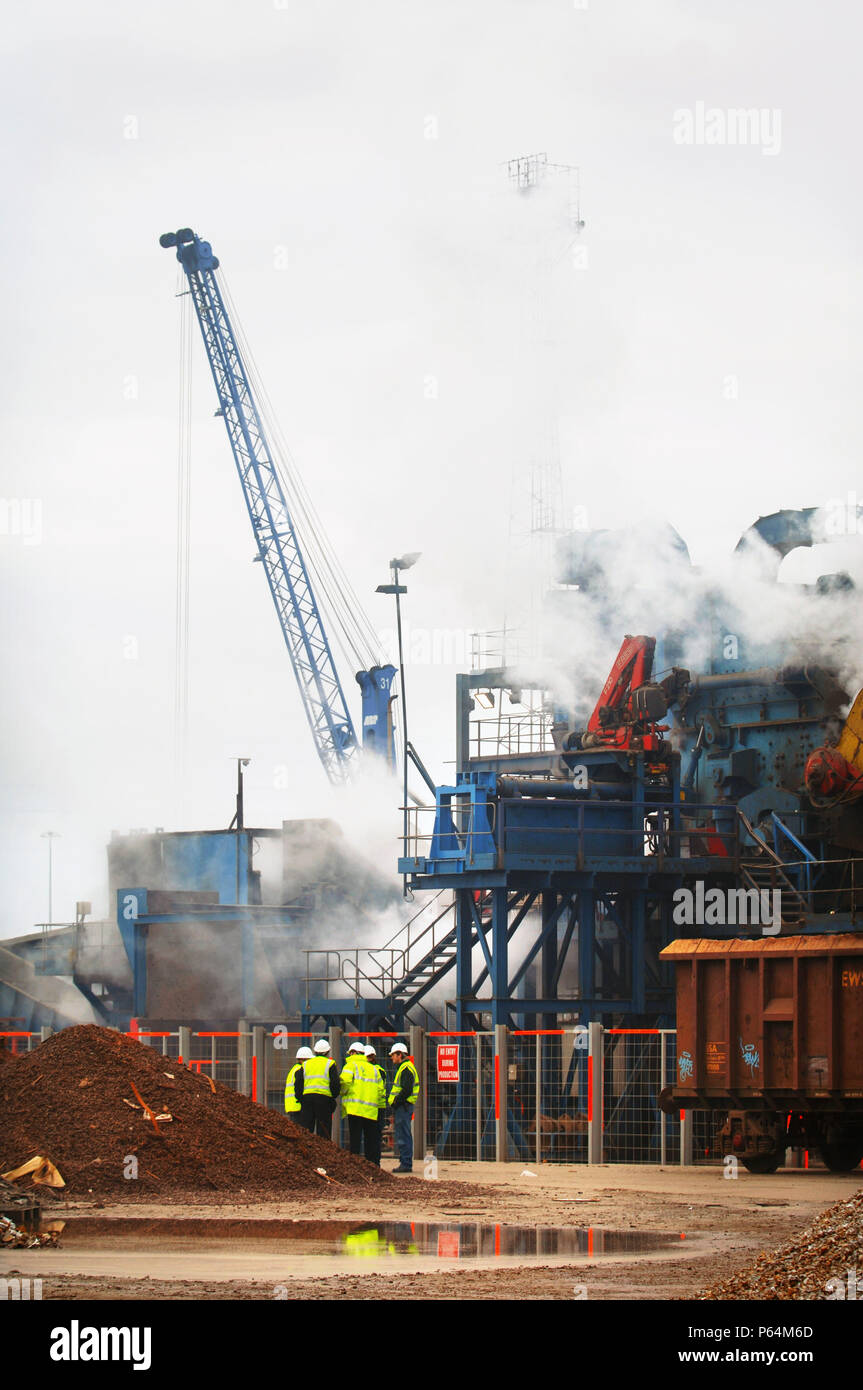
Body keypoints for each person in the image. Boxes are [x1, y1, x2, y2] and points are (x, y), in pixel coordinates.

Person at [340, 1042, 381, 1165]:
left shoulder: (350, 1066)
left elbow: (344, 1083)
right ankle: (372, 1166)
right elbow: (380, 1090)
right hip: (371, 1110)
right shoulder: (373, 1069)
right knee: (371, 1140)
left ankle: (355, 1166)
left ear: (352, 1052)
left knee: (355, 1140)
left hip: (355, 1108)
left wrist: (343, 1093)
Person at [297, 1038, 341, 1138]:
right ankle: (324, 1153)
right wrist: (332, 1097)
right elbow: (335, 1083)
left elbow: (299, 1083)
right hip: (324, 1100)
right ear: (327, 1052)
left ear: (315, 1051)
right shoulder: (330, 1063)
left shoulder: (306, 1064)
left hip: (307, 1099)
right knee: (324, 1132)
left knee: (306, 1131)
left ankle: (306, 1152)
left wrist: (301, 1099)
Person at [388, 1041, 419, 1173]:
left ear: (399, 1054)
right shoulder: (406, 1067)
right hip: (404, 1106)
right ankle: (405, 1162)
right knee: (404, 1134)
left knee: (403, 1135)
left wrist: (396, 1102)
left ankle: (405, 1163)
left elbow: (406, 1089)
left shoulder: (406, 1069)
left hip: (403, 1106)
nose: (392, 1058)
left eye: (393, 1055)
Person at [365, 1045, 388, 1166]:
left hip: (373, 1106)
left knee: (371, 1136)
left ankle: (372, 1162)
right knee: (375, 1136)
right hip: (378, 1106)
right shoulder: (380, 1070)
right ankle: (375, 1162)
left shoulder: (371, 1070)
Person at [285, 1046, 312, 1120]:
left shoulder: (294, 1069)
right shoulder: (300, 1070)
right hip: (298, 1106)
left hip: (292, 1106)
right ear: (305, 1060)